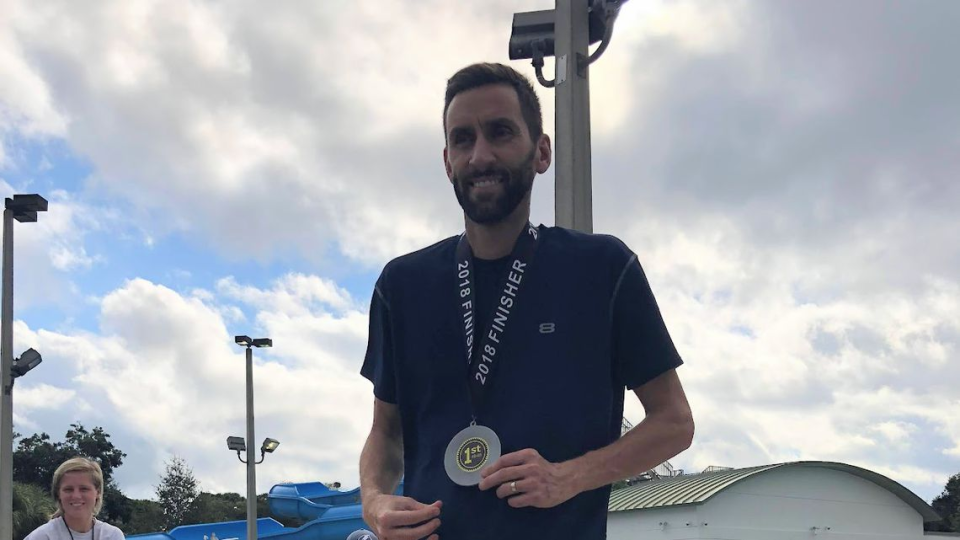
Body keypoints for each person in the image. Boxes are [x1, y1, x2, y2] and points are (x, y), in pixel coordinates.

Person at [359, 62, 695, 540]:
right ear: (447, 161)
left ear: (541, 152)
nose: (480, 156)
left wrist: (568, 476)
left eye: (500, 133)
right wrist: (374, 503)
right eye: (463, 139)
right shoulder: (401, 285)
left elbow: (674, 423)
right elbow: (386, 434)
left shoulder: (603, 269)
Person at [24, 457, 125, 540]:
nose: (76, 496)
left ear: (97, 492)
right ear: (58, 494)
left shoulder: (112, 536)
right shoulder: (42, 536)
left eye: (84, 489)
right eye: (68, 489)